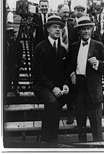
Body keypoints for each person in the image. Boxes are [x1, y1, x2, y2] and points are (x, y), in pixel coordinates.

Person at [68, 16, 104, 142]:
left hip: (93, 89)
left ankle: (98, 147)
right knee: (81, 123)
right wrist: (71, 73)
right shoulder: (74, 46)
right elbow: (69, 65)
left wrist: (97, 63)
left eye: (88, 28)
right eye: (83, 29)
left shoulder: (98, 45)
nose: (86, 31)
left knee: (96, 124)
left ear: (91, 30)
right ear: (79, 31)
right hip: (79, 87)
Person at [33, 15, 69, 144]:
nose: (58, 30)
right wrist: (53, 88)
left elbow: (65, 71)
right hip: (42, 86)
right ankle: (45, 137)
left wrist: (65, 84)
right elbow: (37, 73)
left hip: (58, 86)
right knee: (52, 102)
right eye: (54, 27)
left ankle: (53, 137)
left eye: (59, 27)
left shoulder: (62, 50)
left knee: (59, 102)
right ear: (48, 29)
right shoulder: (40, 47)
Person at [59, 5, 78, 124]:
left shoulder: (72, 27)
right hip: (57, 61)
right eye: (64, 12)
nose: (66, 14)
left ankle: (70, 113)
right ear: (59, 12)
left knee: (70, 87)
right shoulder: (55, 26)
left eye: (68, 12)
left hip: (69, 61)